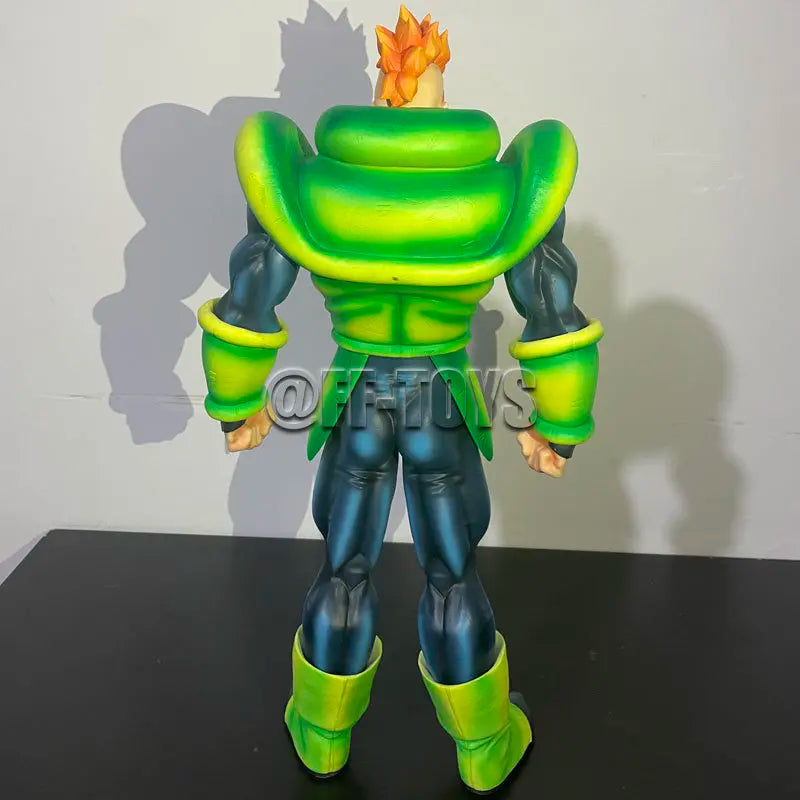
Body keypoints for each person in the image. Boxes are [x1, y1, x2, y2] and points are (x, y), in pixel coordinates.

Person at [197, 5, 602, 793]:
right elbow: (551, 307)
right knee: (451, 572)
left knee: (344, 565)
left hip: (357, 394)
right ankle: (483, 744)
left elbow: (250, 291)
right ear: (438, 78)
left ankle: (322, 734)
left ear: (383, 82)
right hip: (440, 398)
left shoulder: (313, 185)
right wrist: (557, 426)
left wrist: (238, 403)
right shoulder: (498, 189)